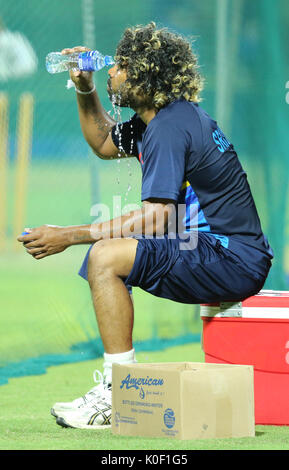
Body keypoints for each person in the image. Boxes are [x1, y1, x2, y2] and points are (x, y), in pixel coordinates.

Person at [17, 22, 273, 430]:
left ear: (142, 74)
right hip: (222, 250)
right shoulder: (160, 118)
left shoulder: (170, 127)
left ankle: (119, 390)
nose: (112, 72)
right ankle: (119, 384)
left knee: (104, 256)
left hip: (230, 257)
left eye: (118, 66)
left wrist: (67, 235)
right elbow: (105, 144)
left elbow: (157, 219)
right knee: (106, 257)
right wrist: (86, 87)